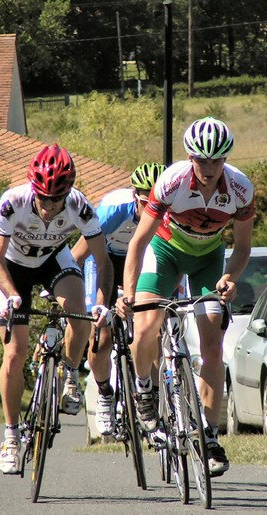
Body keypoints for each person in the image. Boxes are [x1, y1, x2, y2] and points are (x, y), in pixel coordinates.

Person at [116, 116, 255, 477]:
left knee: (212, 342)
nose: (208, 168)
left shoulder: (241, 190)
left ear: (226, 159)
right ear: (190, 157)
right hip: (164, 253)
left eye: (216, 161)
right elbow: (139, 241)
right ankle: (144, 389)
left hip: (209, 260)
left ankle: (209, 435)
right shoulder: (172, 181)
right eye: (201, 160)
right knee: (146, 325)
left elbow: (242, 248)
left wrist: (229, 278)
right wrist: (129, 294)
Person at [0, 143, 112, 474]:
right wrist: (12, 295)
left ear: (68, 192)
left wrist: (101, 305)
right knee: (15, 352)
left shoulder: (80, 207)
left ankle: (70, 371)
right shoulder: (12, 202)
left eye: (55, 199)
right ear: (33, 188)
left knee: (81, 314)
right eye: (42, 197)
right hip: (12, 269)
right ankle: (11, 437)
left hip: (52, 260)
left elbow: (102, 261)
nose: (48, 205)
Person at [83, 162, 166, 435]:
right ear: (134, 197)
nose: (150, 209)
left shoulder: (167, 214)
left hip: (140, 261)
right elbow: (82, 252)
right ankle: (105, 393)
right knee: (101, 333)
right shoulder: (114, 210)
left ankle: (149, 395)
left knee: (150, 329)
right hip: (104, 262)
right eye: (145, 202)